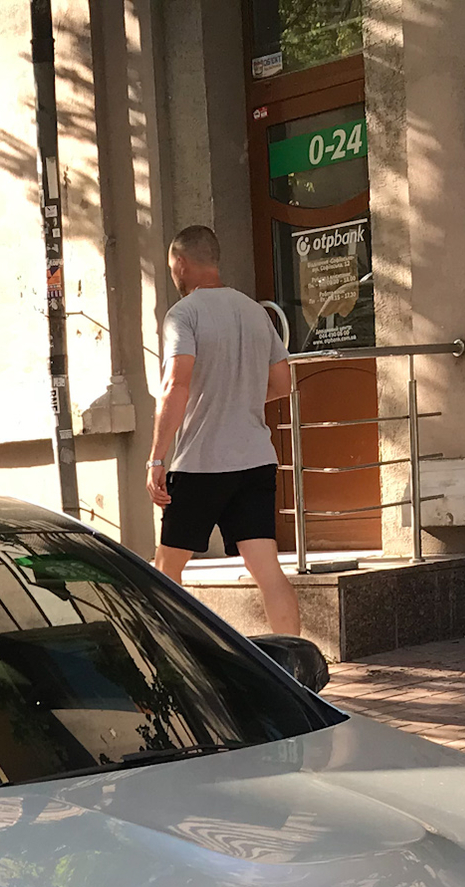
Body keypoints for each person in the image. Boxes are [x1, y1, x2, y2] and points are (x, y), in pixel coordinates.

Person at [146, 225, 301, 640]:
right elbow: (282, 384)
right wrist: (240, 400)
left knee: (167, 570)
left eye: (172, 267)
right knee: (268, 570)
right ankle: (299, 669)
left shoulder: (183, 314)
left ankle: (171, 662)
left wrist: (157, 458)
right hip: (255, 460)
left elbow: (176, 385)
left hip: (200, 464)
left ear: (180, 263)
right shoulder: (255, 312)